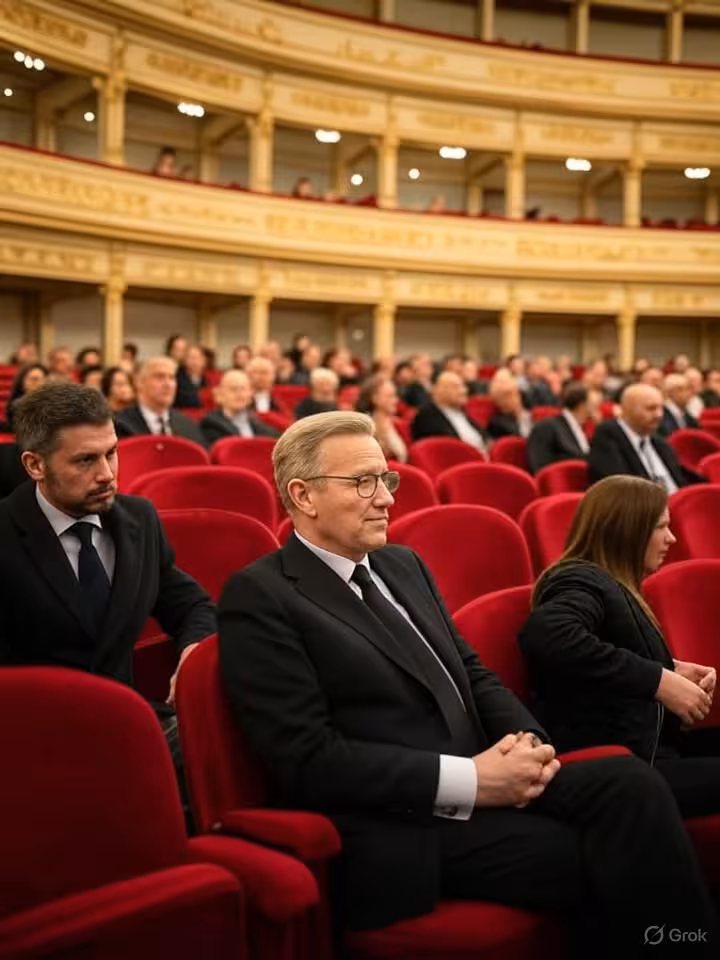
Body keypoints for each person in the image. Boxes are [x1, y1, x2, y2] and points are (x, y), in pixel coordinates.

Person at [218, 412, 718, 956]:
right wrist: (473, 780)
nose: (386, 498)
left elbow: (472, 672)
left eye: (388, 479)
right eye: (364, 482)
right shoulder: (261, 595)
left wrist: (528, 743)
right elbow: (307, 759)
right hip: (401, 819)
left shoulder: (402, 563)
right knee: (588, 849)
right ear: (303, 495)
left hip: (487, 775)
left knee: (631, 782)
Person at [0, 383, 215, 703]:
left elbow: (192, 605)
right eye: (85, 460)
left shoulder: (139, 520)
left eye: (111, 453)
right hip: (28, 730)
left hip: (124, 718)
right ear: (35, 465)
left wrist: (194, 653)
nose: (106, 474)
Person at [519, 476, 720, 813]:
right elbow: (548, 635)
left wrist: (672, 670)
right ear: (628, 531)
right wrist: (660, 680)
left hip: (653, 752)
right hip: (625, 769)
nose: (672, 538)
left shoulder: (614, 584)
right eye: (661, 527)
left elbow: (614, 662)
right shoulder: (579, 577)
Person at [588, 383, 703, 490]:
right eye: (651, 408)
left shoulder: (658, 442)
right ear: (627, 409)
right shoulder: (608, 436)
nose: (659, 414)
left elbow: (681, 478)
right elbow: (619, 488)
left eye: (661, 408)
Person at [115, 357, 208, 448]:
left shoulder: (189, 425)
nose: (168, 384)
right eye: (159, 377)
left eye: (172, 378)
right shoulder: (119, 425)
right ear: (139, 382)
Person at [411, 371, 487, 453]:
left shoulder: (462, 413)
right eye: (456, 387)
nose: (463, 391)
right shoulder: (426, 417)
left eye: (463, 386)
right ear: (438, 390)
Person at [527, 382, 594, 475]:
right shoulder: (546, 427)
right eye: (591, 404)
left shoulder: (580, 429)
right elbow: (539, 468)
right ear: (582, 405)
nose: (594, 408)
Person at [200, 370, 279, 446]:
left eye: (243, 389)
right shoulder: (211, 423)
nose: (239, 393)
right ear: (220, 395)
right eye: (233, 389)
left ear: (250, 394)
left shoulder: (254, 419)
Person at [356, 374, 407, 462]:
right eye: (390, 396)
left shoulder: (398, 424)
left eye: (395, 395)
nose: (395, 400)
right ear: (375, 398)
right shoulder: (367, 430)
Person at [1, 363, 48, 432]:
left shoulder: (52, 401)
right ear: (23, 382)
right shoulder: (16, 402)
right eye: (34, 379)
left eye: (42, 380)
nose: (39, 384)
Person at [174, 344, 208, 409]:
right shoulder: (176, 377)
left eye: (198, 358)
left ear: (204, 360)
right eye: (191, 357)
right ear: (184, 360)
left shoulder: (207, 379)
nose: (194, 361)